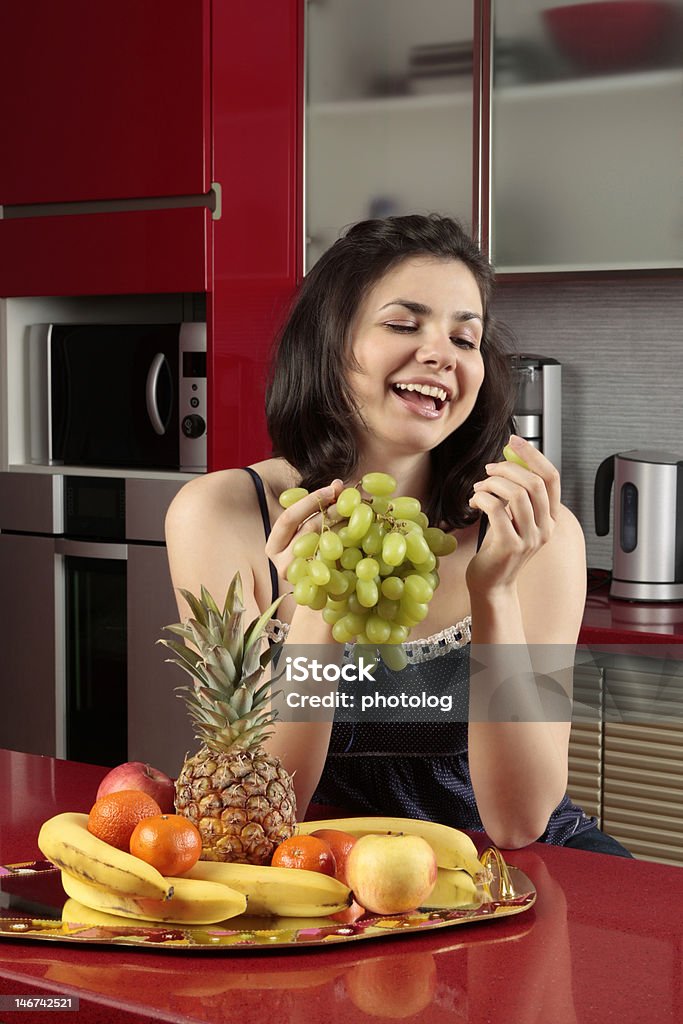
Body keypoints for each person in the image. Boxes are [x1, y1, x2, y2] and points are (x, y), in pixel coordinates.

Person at [166, 213, 631, 856]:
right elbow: (266, 810)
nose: (441, 354)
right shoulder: (220, 514)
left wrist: (493, 594)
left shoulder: (538, 536)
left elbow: (522, 823)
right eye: (403, 324)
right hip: (320, 869)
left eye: (465, 339)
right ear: (331, 343)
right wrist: (320, 611)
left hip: (509, 871)